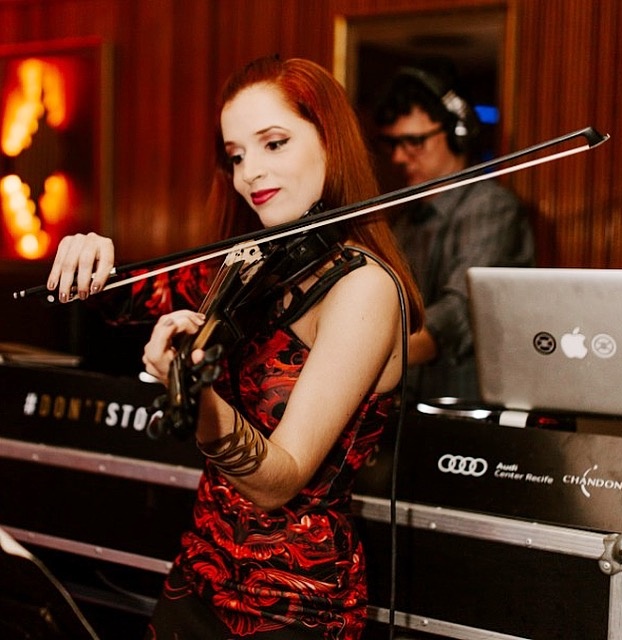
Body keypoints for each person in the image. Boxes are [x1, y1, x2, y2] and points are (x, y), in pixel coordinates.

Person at [46, 56, 425, 639]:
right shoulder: (252, 265)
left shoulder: (363, 288)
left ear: (331, 141)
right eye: (237, 155)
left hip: (291, 604)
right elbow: (140, 295)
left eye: (274, 143)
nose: (250, 172)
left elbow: (278, 480)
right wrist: (91, 261)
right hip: (199, 573)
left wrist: (195, 394)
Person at [373, 64, 535, 402]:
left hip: (466, 404)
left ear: (458, 132)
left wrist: (369, 359)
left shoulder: (491, 207)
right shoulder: (403, 220)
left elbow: (458, 311)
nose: (399, 157)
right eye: (393, 143)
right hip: (409, 402)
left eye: (414, 141)